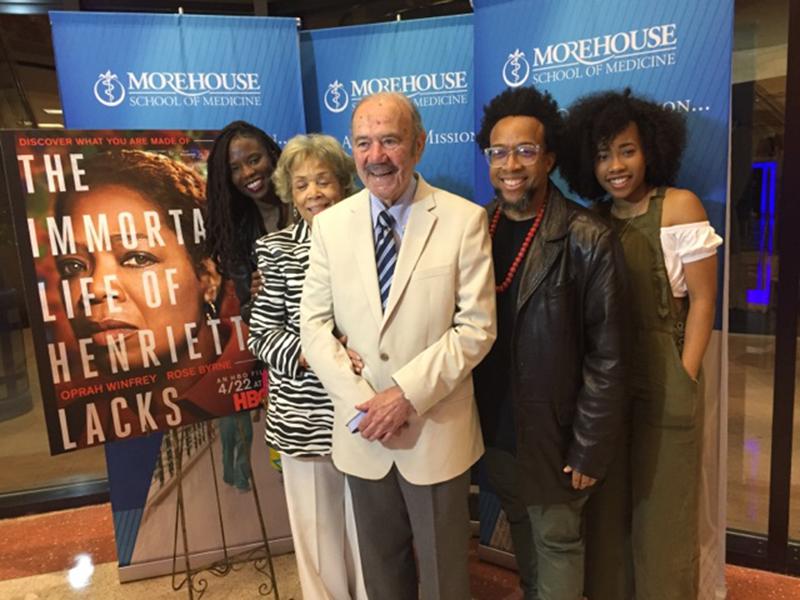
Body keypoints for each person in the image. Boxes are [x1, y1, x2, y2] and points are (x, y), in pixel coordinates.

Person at [300, 91, 496, 600]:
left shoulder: (463, 220)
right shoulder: (330, 225)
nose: (376, 155)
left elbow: (476, 327)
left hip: (434, 433)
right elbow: (313, 327)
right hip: (362, 434)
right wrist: (366, 401)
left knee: (444, 579)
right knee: (382, 578)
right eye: (364, 143)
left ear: (419, 144)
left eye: (390, 139)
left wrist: (404, 395)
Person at [560, 88, 722, 600]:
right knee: (607, 514)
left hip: (664, 378)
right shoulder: (593, 218)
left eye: (626, 150)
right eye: (603, 155)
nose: (615, 166)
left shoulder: (678, 206)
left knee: (663, 515)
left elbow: (702, 302)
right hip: (607, 386)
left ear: (650, 147)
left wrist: (685, 375)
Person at [473, 86, 628, 600]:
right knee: (519, 526)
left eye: (526, 150)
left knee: (558, 541)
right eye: (498, 152)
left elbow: (610, 356)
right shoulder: (474, 229)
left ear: (551, 158)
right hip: (493, 428)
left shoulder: (587, 236)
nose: (510, 164)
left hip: (555, 437)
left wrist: (587, 448)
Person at [54, 149, 246, 444]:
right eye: (73, 266)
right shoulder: (78, 422)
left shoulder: (265, 377)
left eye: (137, 258)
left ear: (208, 278)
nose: (95, 289)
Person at [247, 134, 367, 600]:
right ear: (289, 193)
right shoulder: (275, 250)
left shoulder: (373, 239)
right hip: (304, 413)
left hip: (366, 412)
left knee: (369, 530)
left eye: (323, 181)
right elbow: (262, 335)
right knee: (318, 533)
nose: (313, 193)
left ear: (344, 184)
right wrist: (314, 352)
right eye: (301, 185)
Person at [205, 121, 289, 492]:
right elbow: (251, 317)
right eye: (235, 169)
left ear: (272, 155)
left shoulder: (311, 199)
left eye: (253, 160)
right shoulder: (240, 229)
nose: (248, 173)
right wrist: (259, 297)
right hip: (289, 367)